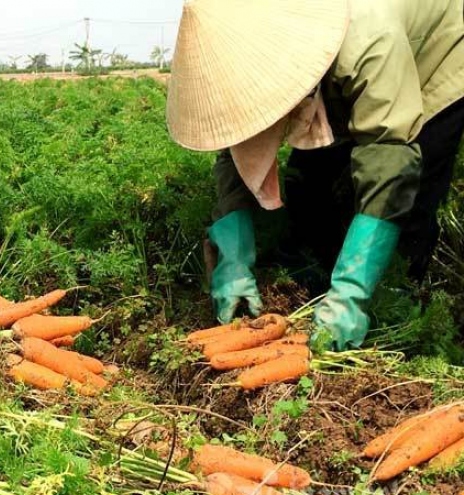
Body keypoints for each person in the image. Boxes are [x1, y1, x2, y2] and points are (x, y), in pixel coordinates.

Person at [166, 0, 464, 351]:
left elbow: (390, 155)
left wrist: (351, 293)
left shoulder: (367, 37)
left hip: (438, 52)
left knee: (409, 201)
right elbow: (238, 143)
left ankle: (394, 312)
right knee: (309, 191)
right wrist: (233, 255)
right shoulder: (256, 38)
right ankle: (315, 283)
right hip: (338, 77)